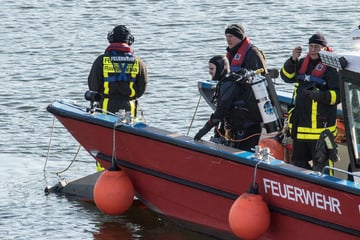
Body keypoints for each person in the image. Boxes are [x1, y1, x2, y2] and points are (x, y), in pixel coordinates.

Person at [280, 33, 340, 171]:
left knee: (323, 169)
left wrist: (319, 95)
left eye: (317, 47)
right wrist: (292, 60)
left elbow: (338, 96)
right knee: (299, 167)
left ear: (324, 49)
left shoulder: (331, 68)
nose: (313, 50)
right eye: (311, 46)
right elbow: (286, 77)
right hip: (300, 130)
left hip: (321, 132)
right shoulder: (301, 63)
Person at [194, 55, 262, 151]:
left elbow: (221, 111)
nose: (210, 72)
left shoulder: (228, 84)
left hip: (246, 131)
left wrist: (204, 130)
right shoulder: (228, 81)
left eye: (212, 68)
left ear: (222, 68)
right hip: (243, 129)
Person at [88, 25, 147, 114]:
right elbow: (141, 89)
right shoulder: (138, 62)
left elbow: (93, 86)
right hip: (129, 107)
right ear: (130, 41)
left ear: (111, 39)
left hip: (106, 106)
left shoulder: (101, 60)